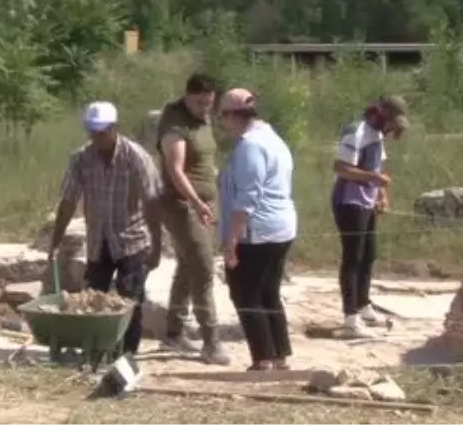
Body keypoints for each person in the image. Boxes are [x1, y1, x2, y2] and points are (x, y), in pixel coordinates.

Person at [47, 101, 162, 357]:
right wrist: (55, 240)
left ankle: (127, 353)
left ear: (115, 128)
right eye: (92, 131)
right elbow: (68, 201)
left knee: (129, 299)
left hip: (132, 240)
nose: (97, 137)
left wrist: (157, 247)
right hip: (99, 241)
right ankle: (98, 349)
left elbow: (152, 203)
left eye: (102, 131)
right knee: (93, 298)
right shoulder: (81, 159)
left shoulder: (136, 158)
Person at [216, 89, 297, 371]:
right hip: (279, 227)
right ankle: (279, 354)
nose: (221, 121)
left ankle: (263, 358)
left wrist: (232, 239)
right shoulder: (273, 139)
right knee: (268, 292)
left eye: (223, 115)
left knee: (245, 292)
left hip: (257, 231)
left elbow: (248, 197)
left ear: (233, 116)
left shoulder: (250, 146)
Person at [156, 73, 229, 365]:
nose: (204, 108)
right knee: (203, 267)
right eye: (199, 102)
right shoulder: (175, 124)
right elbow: (176, 169)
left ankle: (173, 332)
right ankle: (211, 341)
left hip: (205, 204)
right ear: (187, 96)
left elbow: (205, 160)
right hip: (181, 205)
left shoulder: (203, 119)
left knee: (188, 264)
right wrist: (196, 201)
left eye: (209, 103)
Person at [330, 95, 408, 338]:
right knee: (353, 256)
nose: (391, 129)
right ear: (380, 115)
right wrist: (374, 180)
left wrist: (381, 195)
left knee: (368, 254)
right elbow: (341, 168)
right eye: (391, 123)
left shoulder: (377, 136)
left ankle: (364, 306)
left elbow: (377, 168)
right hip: (348, 202)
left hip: (367, 201)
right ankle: (350, 316)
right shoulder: (357, 131)